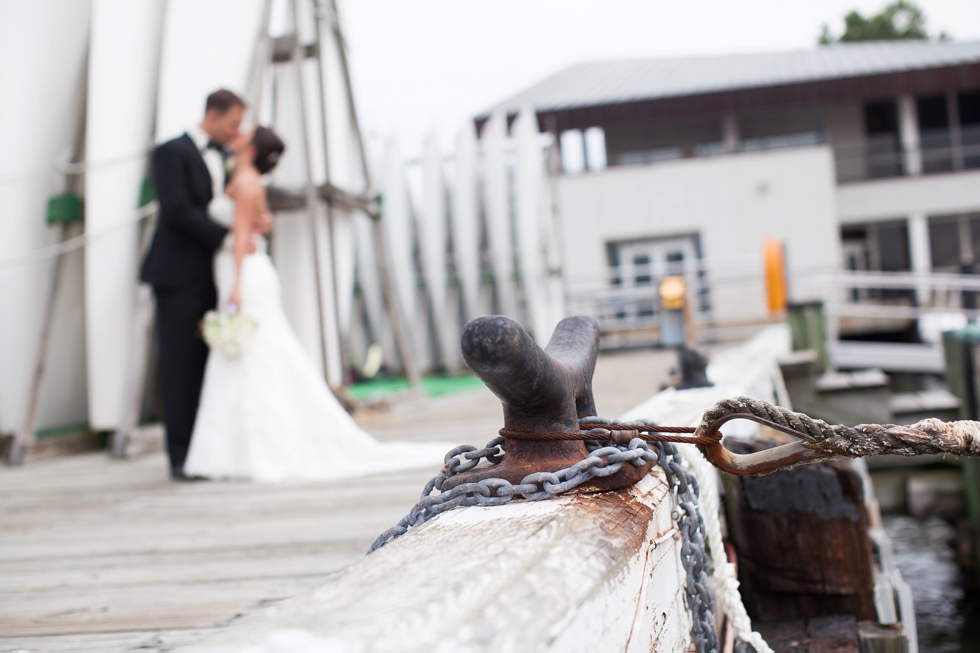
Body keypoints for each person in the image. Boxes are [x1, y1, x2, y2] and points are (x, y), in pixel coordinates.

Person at [183, 126, 448, 482]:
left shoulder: (246, 182)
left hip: (241, 272)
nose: (239, 134)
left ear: (251, 148)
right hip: (239, 268)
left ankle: (254, 449)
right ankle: (236, 451)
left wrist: (235, 286)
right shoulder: (244, 176)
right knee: (251, 355)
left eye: (246, 134)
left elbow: (243, 231)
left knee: (257, 356)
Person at [141, 89, 270, 480]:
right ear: (212, 115)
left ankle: (209, 452)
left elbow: (245, 202)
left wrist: (260, 221)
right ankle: (181, 458)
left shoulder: (231, 156)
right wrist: (231, 237)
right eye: (232, 123)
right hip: (179, 274)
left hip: (219, 274)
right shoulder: (170, 152)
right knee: (180, 364)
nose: (236, 132)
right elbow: (177, 211)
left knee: (211, 365)